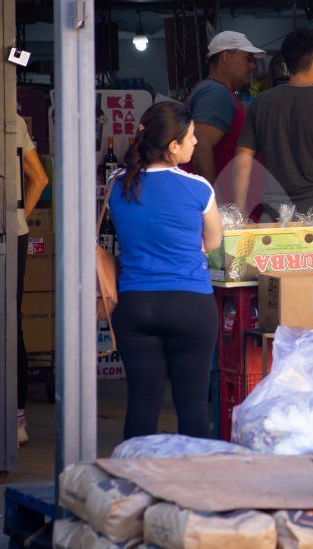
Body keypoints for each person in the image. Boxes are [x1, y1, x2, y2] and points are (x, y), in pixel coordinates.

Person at [107, 102, 223, 439]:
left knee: (142, 402)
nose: (196, 143)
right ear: (173, 146)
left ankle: (133, 482)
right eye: (191, 138)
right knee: (192, 405)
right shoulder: (199, 188)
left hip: (136, 304)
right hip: (191, 306)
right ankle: (194, 487)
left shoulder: (117, 184)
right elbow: (213, 241)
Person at [230, 28, 313, 258]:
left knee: (280, 291)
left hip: (274, 221)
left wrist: (239, 217)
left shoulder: (262, 103)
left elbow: (242, 162)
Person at [185, 31, 264, 191]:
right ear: (227, 57)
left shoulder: (215, 91)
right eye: (247, 58)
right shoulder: (217, 93)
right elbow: (201, 146)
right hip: (221, 209)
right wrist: (213, 202)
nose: (252, 66)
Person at [14, 118, 48, 445]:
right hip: (11, 234)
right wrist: (17, 219)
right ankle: (17, 417)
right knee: (12, 321)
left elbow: (40, 178)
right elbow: (39, 178)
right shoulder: (14, 118)